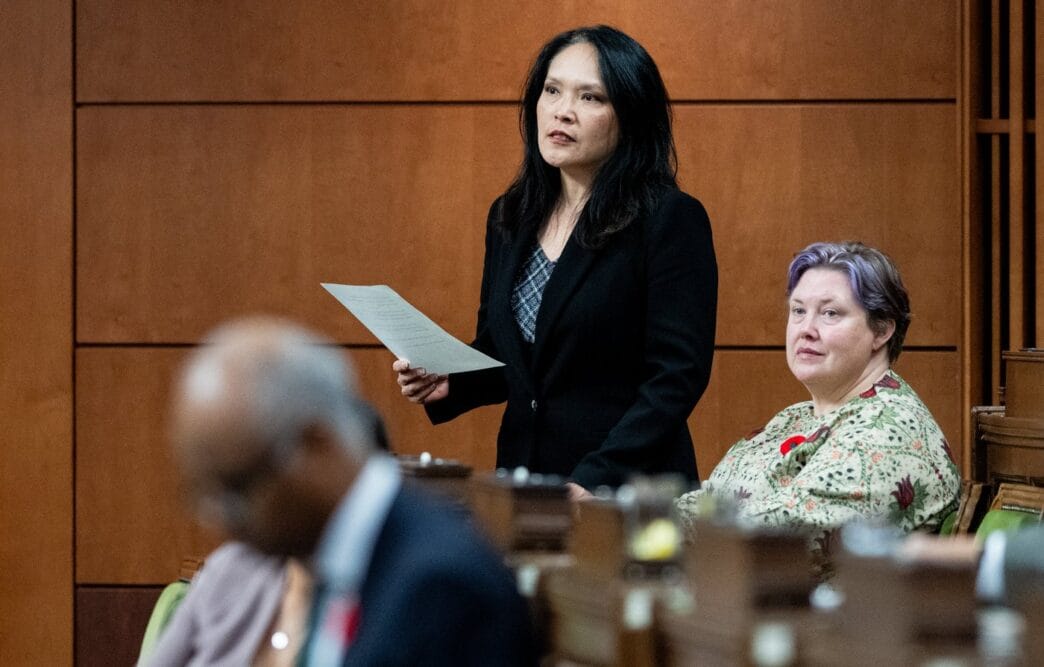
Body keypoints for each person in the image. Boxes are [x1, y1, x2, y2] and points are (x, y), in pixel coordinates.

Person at [394, 25, 718, 500]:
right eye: (552, 90)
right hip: (526, 481)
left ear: (630, 115)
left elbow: (676, 378)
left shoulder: (668, 218)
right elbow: (512, 355)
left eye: (590, 97)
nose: (562, 111)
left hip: (624, 490)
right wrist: (451, 380)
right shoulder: (510, 216)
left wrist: (594, 478)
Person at [156, 318, 536, 666]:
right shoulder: (334, 555)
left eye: (238, 487)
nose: (221, 519)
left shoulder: (442, 586)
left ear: (316, 444)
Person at [676, 242, 960, 541]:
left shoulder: (888, 428)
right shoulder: (796, 417)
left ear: (881, 331)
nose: (806, 329)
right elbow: (709, 502)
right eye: (798, 310)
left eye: (830, 313)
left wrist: (651, 527)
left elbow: (777, 536)